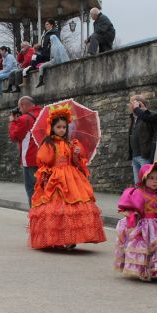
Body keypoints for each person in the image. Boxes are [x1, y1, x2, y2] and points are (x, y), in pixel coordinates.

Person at [28, 103, 106, 250]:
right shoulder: (48, 144)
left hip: (72, 178)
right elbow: (44, 162)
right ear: (52, 127)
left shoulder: (71, 143)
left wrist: (77, 153)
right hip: (55, 178)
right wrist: (46, 174)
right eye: (59, 127)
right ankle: (55, 238)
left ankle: (71, 238)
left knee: (74, 205)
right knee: (56, 208)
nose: (62, 130)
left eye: (64, 127)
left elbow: (78, 163)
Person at [114, 163, 157, 281]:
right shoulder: (138, 193)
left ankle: (156, 269)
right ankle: (142, 270)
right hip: (143, 225)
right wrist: (132, 224)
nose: (155, 181)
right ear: (144, 178)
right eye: (151, 178)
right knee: (142, 247)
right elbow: (132, 211)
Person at [8, 96, 42, 207]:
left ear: (23, 105)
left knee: (31, 189)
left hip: (30, 158)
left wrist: (13, 122)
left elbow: (14, 137)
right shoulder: (43, 114)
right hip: (44, 157)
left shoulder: (24, 119)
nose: (19, 110)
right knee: (43, 188)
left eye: (19, 107)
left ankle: (35, 217)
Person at [127, 95, 155, 183]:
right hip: (135, 156)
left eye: (131, 103)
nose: (129, 105)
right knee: (138, 184)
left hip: (144, 156)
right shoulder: (132, 118)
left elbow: (152, 125)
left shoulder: (146, 117)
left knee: (146, 183)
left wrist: (144, 111)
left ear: (137, 104)